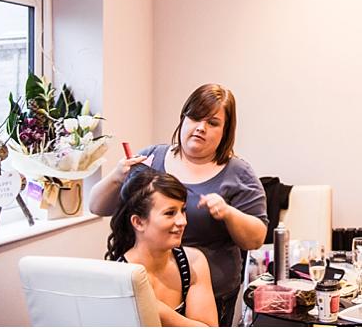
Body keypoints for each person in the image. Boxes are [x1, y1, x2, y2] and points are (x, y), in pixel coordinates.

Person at [91, 84, 268, 326]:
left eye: (213, 123)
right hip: (148, 284)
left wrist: (228, 213)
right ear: (183, 118)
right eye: (194, 117)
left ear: (225, 131)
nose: (200, 128)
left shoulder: (238, 173)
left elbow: (255, 239)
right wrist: (117, 175)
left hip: (211, 291)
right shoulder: (152, 159)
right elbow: (97, 206)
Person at [106, 168, 218, 327]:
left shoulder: (193, 262)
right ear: (138, 222)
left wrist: (157, 310)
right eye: (170, 213)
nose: (182, 221)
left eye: (182, 210)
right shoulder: (118, 278)